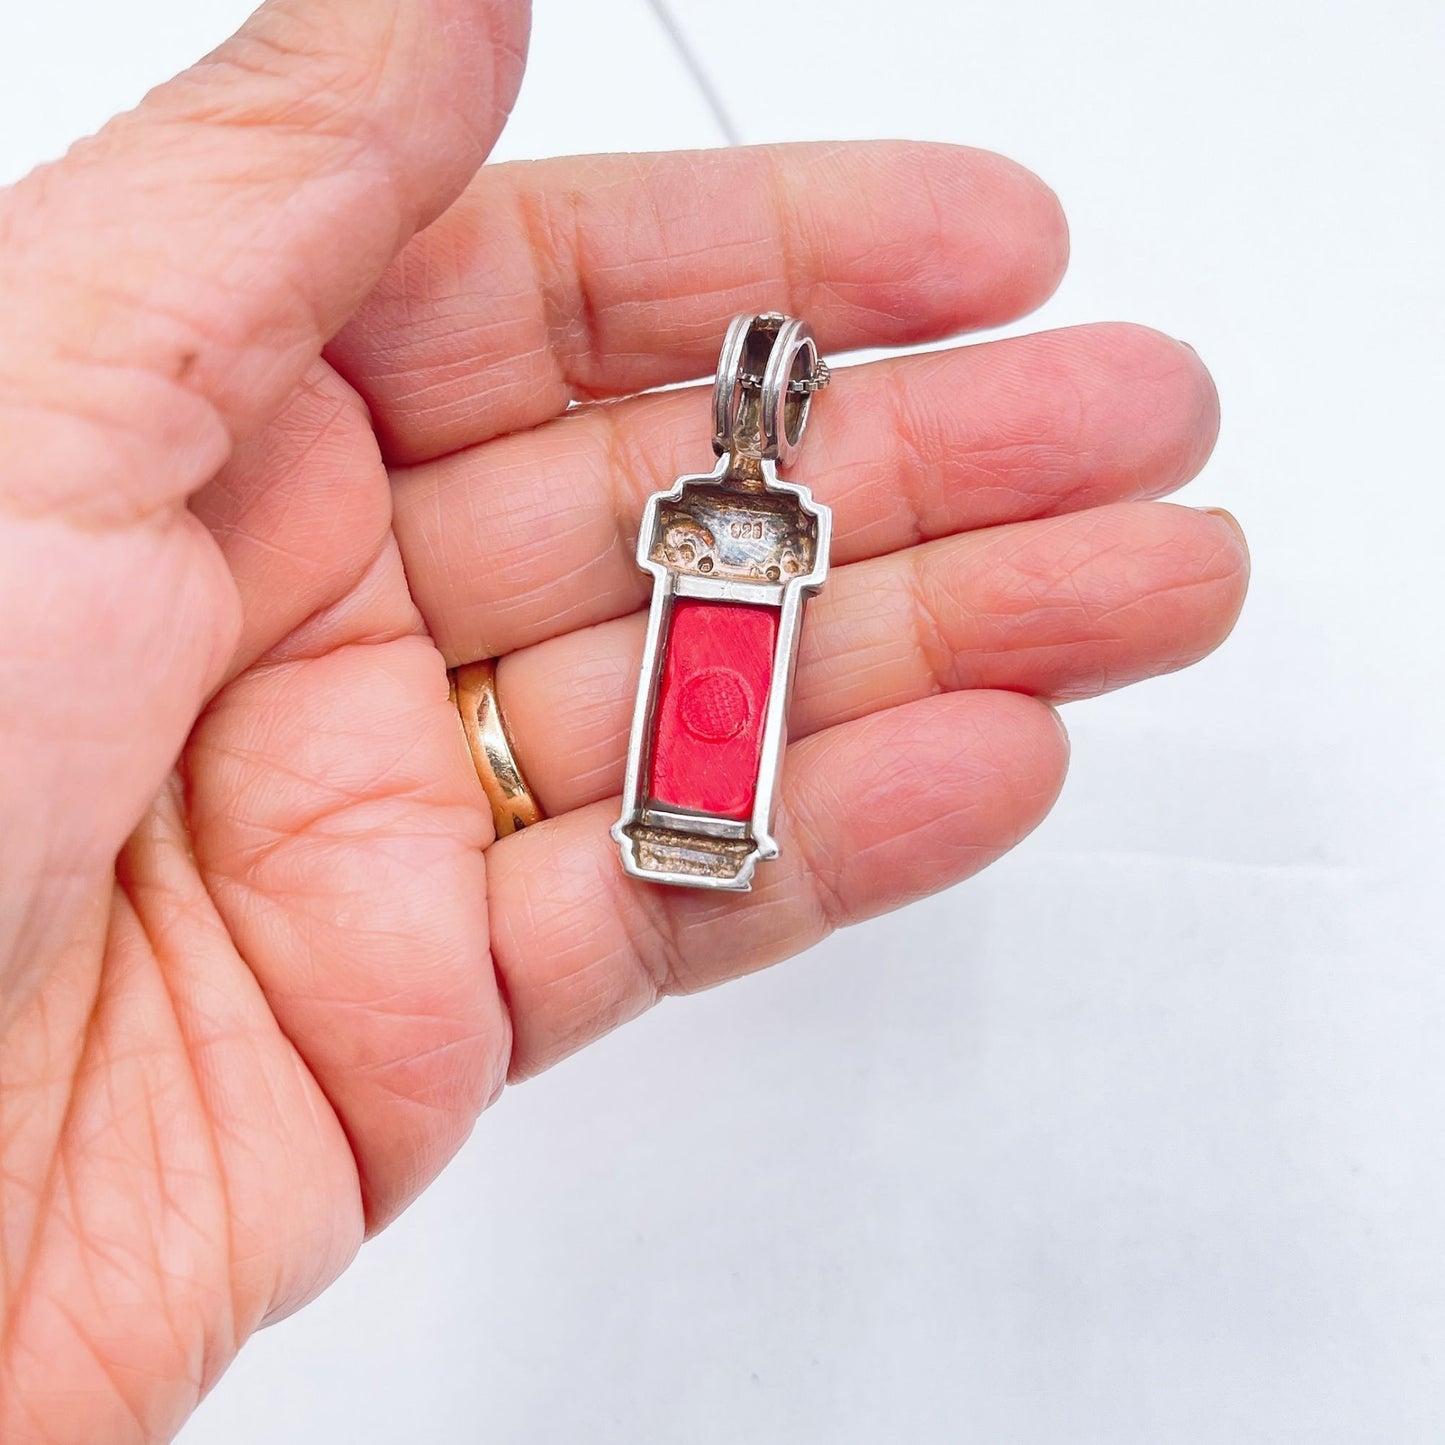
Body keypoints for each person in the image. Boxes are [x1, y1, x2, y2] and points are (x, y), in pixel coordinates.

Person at [0, 0, 1249, 1438]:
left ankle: (703, 815)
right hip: (673, 674)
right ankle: (697, 814)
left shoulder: (753, 522)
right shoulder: (719, 521)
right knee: (717, 720)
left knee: (735, 718)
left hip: (703, 670)